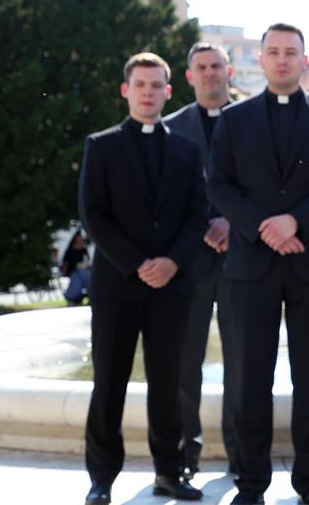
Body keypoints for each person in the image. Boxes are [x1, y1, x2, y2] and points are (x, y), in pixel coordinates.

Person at [208, 23, 309, 505]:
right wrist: (263, 227)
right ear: (261, 59)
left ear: (304, 60)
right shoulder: (234, 119)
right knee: (250, 378)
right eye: (272, 52)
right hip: (250, 266)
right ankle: (250, 484)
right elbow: (219, 185)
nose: (281, 59)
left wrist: (295, 221)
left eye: (290, 52)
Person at [78, 53, 207, 504]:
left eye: (156, 86)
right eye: (140, 85)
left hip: (171, 286)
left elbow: (197, 216)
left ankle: (169, 473)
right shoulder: (101, 145)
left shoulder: (187, 151)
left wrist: (170, 262)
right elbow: (93, 214)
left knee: (168, 384)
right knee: (108, 383)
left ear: (168, 92)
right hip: (116, 285)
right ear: (126, 90)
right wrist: (137, 263)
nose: (148, 93)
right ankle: (101, 479)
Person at [165, 42, 239, 478]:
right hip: (188, 263)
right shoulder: (171, 128)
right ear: (190, 76)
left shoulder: (252, 121)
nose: (210, 73)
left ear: (229, 71)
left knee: (242, 361)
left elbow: (266, 185)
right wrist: (202, 227)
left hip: (243, 259)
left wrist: (234, 221)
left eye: (216, 66)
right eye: (202, 67)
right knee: (183, 361)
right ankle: (184, 455)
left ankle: (241, 454)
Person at [61, 230, 91, 306]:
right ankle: (72, 297)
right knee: (77, 282)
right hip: (74, 272)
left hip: (84, 272)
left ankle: (91, 295)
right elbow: (65, 262)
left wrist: (84, 265)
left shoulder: (84, 250)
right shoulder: (70, 250)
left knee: (88, 279)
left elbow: (87, 260)